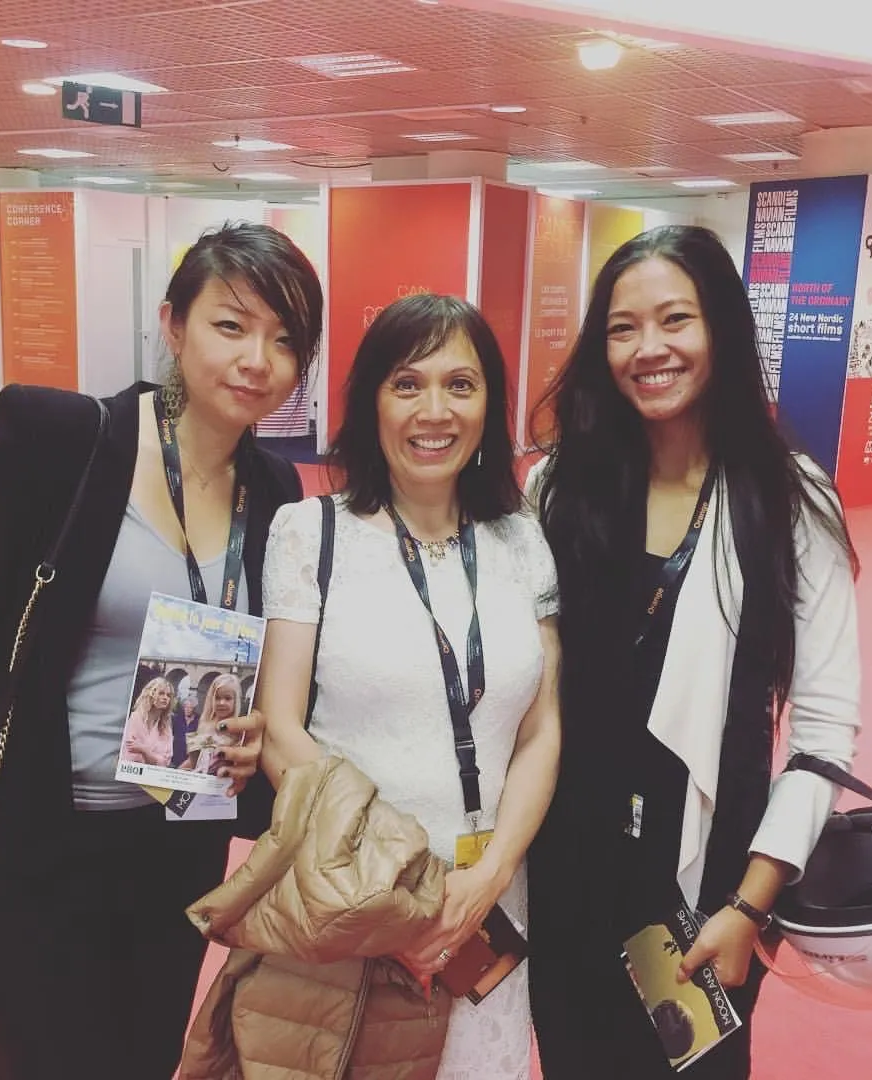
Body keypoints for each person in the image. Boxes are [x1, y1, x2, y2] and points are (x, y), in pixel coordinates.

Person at [0, 221, 323, 1080]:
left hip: (177, 852)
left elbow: (264, 659)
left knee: (145, 1058)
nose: (256, 360)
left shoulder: (275, 491)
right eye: (231, 326)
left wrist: (257, 742)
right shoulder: (64, 446)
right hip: (43, 846)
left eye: (285, 340)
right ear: (174, 325)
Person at [524, 225, 861, 1078]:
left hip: (701, 884)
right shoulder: (561, 487)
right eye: (623, 328)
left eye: (676, 319)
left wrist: (750, 905)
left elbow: (824, 732)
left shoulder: (788, 500)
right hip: (567, 868)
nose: (650, 349)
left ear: (722, 327)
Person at [257, 293, 562, 1079]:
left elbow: (541, 730)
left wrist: (489, 876)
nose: (435, 411)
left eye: (460, 385)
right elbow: (280, 729)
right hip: (353, 894)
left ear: (489, 403)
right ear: (372, 403)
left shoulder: (521, 539)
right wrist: (392, 886)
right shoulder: (311, 534)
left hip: (486, 903)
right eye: (407, 384)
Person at [182, 672, 240, 774]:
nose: (222, 702)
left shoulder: (239, 729)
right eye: (217, 698)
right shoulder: (204, 724)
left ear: (236, 700)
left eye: (227, 698)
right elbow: (192, 760)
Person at [120, 676, 176, 767]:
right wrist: (154, 757)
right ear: (151, 694)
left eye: (168, 695)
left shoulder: (166, 728)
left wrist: (144, 750)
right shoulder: (136, 718)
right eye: (161, 693)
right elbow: (128, 750)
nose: (165, 698)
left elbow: (165, 761)